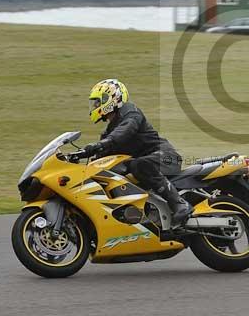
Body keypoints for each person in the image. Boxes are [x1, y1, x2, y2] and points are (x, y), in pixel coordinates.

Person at [77, 78, 191, 225]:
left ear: (114, 97)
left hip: (165, 157)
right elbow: (100, 161)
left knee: (140, 164)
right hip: (147, 165)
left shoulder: (131, 113)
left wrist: (101, 144)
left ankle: (180, 204)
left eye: (99, 101)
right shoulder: (108, 133)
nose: (96, 105)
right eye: (95, 102)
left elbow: (125, 131)